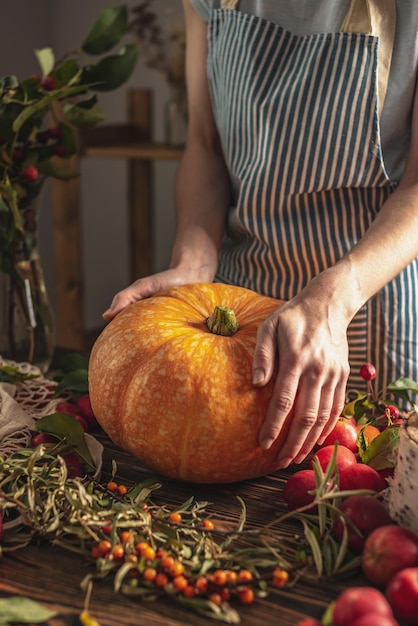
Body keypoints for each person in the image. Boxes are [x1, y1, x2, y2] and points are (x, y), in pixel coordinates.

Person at [103, 0, 418, 469]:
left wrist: (335, 300)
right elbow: (205, 145)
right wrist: (193, 264)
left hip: (362, 308)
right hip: (234, 302)